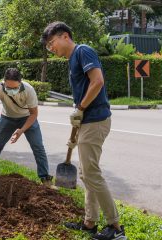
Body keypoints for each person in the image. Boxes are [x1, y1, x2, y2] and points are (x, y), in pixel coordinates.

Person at [41, 22, 126, 240]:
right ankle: (90, 222)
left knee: (92, 173)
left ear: (65, 36)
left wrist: (80, 108)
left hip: (95, 119)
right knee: (85, 173)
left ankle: (115, 228)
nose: (52, 49)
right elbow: (84, 91)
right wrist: (78, 114)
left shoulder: (82, 51)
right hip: (87, 121)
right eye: (48, 47)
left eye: (52, 43)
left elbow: (97, 81)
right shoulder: (72, 59)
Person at [0, 68, 55, 187]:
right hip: (7, 118)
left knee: (38, 146)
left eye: (15, 88)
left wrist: (22, 130)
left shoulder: (29, 90)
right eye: (8, 88)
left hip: (27, 118)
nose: (11, 90)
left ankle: (45, 178)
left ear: (20, 82)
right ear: (4, 82)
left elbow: (34, 114)